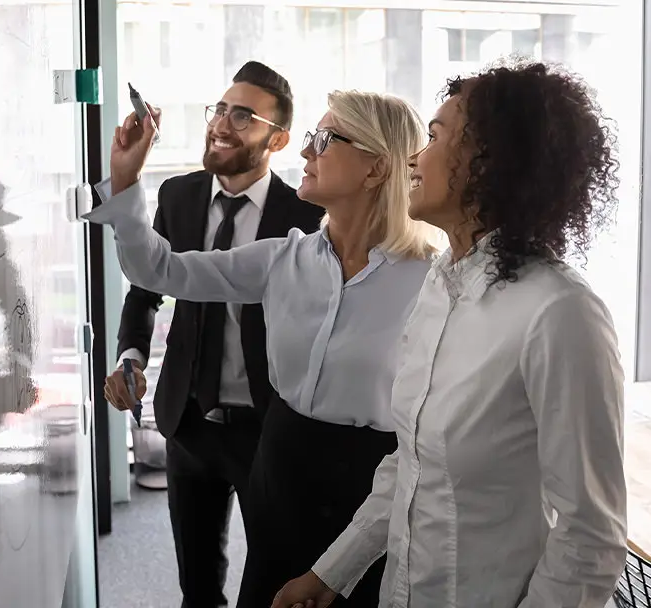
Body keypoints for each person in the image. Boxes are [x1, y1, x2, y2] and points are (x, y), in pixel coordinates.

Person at [273, 60, 627, 608]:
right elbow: (408, 464)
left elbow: (589, 538)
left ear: (489, 162)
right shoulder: (440, 283)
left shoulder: (560, 313)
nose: (414, 156)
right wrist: (330, 575)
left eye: (435, 137)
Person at [85, 88, 437, 608]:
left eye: (324, 139)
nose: (304, 152)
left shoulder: (431, 281)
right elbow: (159, 270)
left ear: (376, 169)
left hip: (372, 484)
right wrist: (125, 180)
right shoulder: (283, 259)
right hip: (282, 462)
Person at [103, 61, 324, 608]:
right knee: (197, 587)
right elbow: (145, 291)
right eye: (220, 109)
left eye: (243, 116)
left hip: (268, 429)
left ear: (278, 139)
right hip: (189, 421)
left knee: (276, 581)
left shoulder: (305, 214)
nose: (222, 123)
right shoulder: (178, 196)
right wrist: (131, 355)